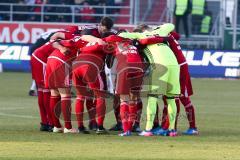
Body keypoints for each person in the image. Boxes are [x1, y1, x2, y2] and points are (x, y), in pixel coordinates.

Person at [119, 23, 180, 137]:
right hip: (175, 65)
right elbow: (171, 25)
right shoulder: (162, 30)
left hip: (160, 65)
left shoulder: (141, 35)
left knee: (152, 98)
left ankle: (148, 130)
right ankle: (172, 130)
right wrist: (160, 35)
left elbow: (122, 34)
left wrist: (139, 37)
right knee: (171, 99)